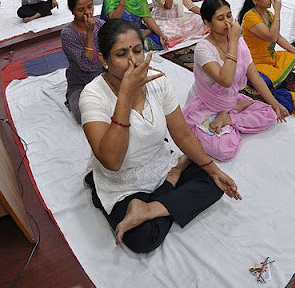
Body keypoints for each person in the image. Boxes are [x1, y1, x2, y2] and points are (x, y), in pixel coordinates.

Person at [80, 18, 241, 253]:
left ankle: (150, 207)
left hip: (160, 162)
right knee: (142, 238)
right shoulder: (93, 95)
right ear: (104, 60)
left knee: (213, 183)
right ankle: (170, 184)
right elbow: (113, 161)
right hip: (122, 180)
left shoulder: (157, 80)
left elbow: (182, 134)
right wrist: (125, 95)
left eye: (137, 50)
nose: (134, 61)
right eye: (121, 54)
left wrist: (214, 170)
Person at [182, 0, 287, 161]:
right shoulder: (203, 49)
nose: (228, 22)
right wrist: (234, 42)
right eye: (220, 18)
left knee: (271, 114)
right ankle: (227, 116)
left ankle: (229, 117)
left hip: (230, 100)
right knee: (224, 150)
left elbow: (255, 78)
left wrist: (275, 104)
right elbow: (226, 80)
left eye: (229, 16)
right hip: (206, 104)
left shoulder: (239, 42)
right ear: (207, 23)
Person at [237, 0, 295, 89]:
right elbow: (272, 37)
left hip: (270, 58)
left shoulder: (268, 14)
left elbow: (278, 37)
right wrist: (277, 11)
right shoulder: (250, 17)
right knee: (267, 81)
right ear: (255, 0)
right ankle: (257, 77)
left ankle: (276, 76)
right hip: (256, 62)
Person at [61, 0, 104, 124]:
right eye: (81, 10)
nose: (87, 12)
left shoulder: (101, 25)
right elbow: (86, 65)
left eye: (90, 7)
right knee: (84, 115)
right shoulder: (68, 34)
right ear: (72, 11)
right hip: (81, 84)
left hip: (105, 77)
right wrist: (90, 32)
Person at [104, 0, 168, 50]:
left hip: (137, 28)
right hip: (119, 31)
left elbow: (147, 17)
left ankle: (137, 42)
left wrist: (161, 35)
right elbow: (113, 19)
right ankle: (137, 42)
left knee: (159, 41)